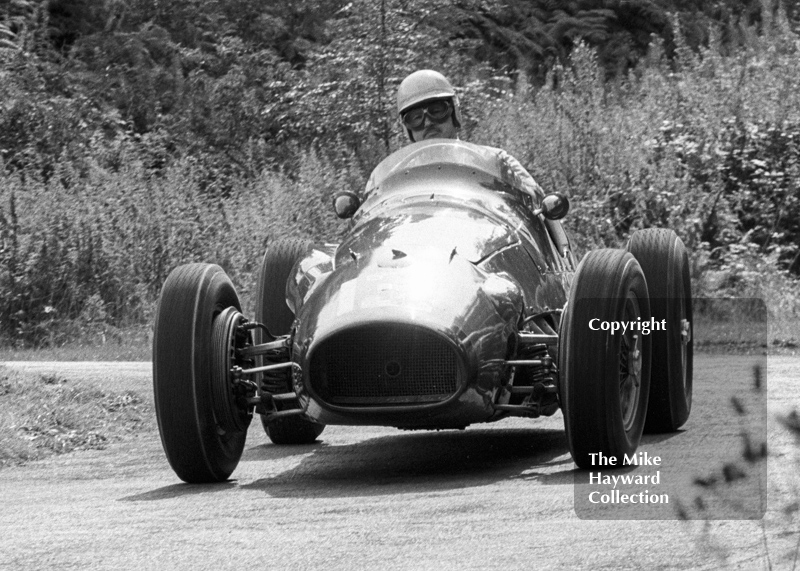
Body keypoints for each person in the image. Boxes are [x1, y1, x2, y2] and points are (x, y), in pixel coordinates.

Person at [394, 69, 545, 201]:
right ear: (408, 129)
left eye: (437, 111)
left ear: (454, 112)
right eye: (416, 118)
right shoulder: (400, 177)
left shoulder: (496, 161)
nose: (428, 123)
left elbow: (537, 203)